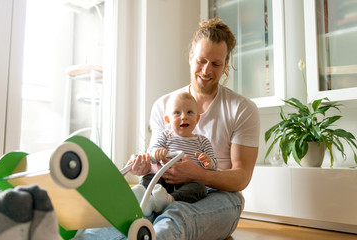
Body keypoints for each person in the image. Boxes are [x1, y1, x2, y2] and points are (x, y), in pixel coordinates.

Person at [74, 16, 260, 240]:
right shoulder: (164, 105)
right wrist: (143, 165)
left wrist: (200, 173)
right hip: (162, 189)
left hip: (218, 195)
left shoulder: (242, 109)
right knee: (129, 215)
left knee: (175, 215)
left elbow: (241, 177)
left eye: (216, 64)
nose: (206, 70)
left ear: (226, 64)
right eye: (201, 60)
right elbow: (155, 159)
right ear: (191, 57)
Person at [138, 91, 217, 214]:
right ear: (168, 120)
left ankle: (170, 200)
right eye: (177, 113)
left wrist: (209, 162)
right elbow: (151, 154)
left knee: (200, 188)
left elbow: (214, 164)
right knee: (148, 178)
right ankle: (146, 198)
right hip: (165, 181)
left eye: (189, 112)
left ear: (197, 118)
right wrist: (156, 153)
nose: (184, 116)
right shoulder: (165, 136)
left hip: (187, 184)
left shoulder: (203, 141)